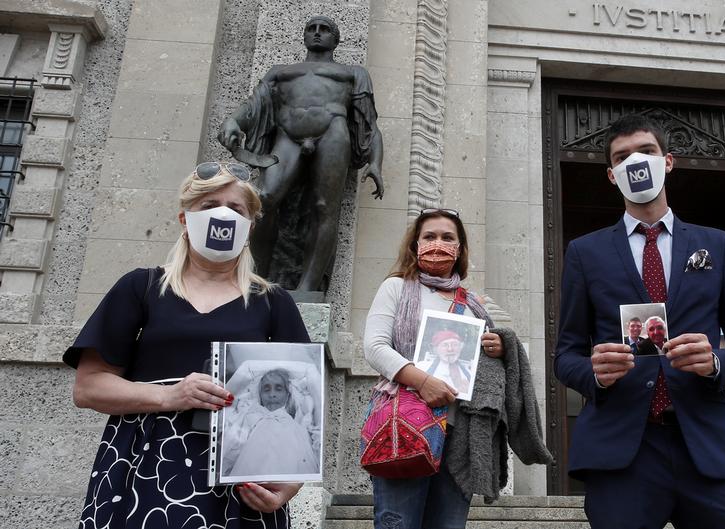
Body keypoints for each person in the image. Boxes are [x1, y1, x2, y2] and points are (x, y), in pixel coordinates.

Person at [65, 161, 312, 528]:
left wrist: (287, 485)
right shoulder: (141, 288)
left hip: (241, 474)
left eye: (236, 208)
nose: (223, 215)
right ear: (185, 218)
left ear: (250, 226)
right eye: (209, 206)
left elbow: (303, 406)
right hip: (145, 462)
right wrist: (169, 396)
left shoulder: (274, 302)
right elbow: (88, 387)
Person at [553, 114, 725, 529]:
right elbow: (566, 355)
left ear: (668, 161)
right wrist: (594, 373)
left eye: (646, 152)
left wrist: (716, 362)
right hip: (623, 451)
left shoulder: (717, 245)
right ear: (611, 175)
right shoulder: (584, 252)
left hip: (704, 445)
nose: (636, 162)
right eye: (623, 156)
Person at [363, 208, 552, 528]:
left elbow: (487, 366)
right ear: (415, 245)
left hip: (461, 436)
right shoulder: (395, 288)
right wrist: (423, 382)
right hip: (406, 428)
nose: (438, 243)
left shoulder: (475, 304)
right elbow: (375, 347)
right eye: (430, 237)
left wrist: (500, 348)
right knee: (397, 523)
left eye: (448, 237)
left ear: (460, 248)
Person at [218, 16, 384, 292]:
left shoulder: (352, 73)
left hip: (332, 133)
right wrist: (233, 121)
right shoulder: (281, 72)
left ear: (336, 39)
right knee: (265, 199)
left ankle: (307, 288)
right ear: (304, 36)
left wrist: (376, 162)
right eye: (312, 29)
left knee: (324, 208)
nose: (317, 33)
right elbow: (254, 105)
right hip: (287, 135)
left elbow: (369, 125)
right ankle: (257, 277)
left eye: (325, 29)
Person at [224, 369, 319, 477]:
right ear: (260, 394)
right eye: (266, 389)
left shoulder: (297, 427)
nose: (272, 395)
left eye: (278, 389)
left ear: (287, 394)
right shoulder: (250, 417)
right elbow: (234, 446)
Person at [416, 329, 472, 395]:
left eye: (455, 344)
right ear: (436, 349)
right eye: (445, 345)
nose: (450, 349)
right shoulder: (422, 367)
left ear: (460, 347)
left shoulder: (469, 373)